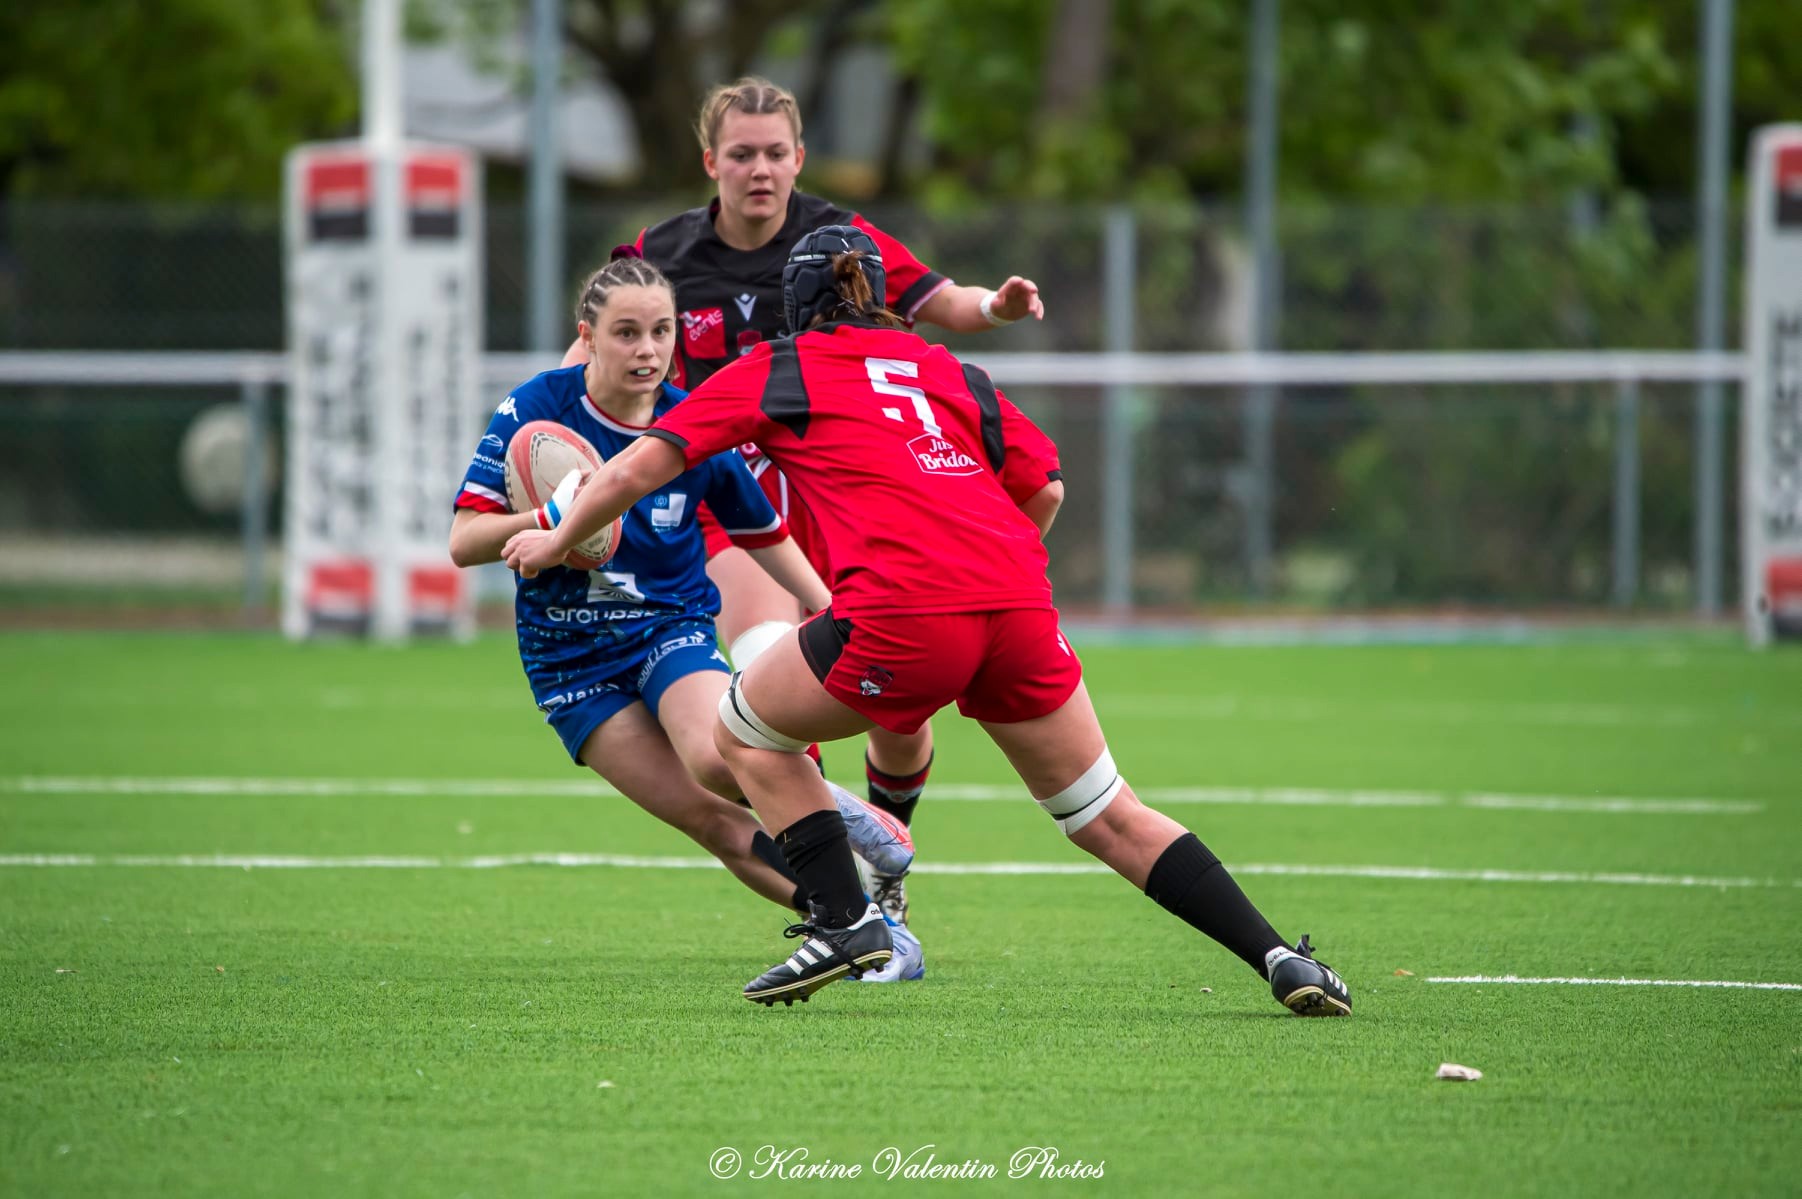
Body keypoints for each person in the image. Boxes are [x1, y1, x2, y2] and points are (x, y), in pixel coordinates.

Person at [506, 228, 1353, 1016]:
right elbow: (1047, 487)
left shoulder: (783, 365)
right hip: (1019, 605)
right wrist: (986, 574)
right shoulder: (950, 370)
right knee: (1109, 814)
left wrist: (554, 540)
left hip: (906, 612)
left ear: (793, 310)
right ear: (880, 298)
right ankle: (1282, 956)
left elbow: (634, 470)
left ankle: (846, 918)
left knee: (740, 732)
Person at [559, 77, 1047, 943]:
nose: (759, 169)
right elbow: (598, 346)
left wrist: (995, 306)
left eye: (775, 153)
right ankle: (837, 885)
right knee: (764, 670)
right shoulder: (661, 248)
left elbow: (942, 305)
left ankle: (882, 861)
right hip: (732, 501)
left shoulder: (841, 243)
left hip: (848, 500)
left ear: (799, 160)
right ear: (711, 161)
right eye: (741, 153)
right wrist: (558, 432)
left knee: (901, 717)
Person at [451, 253, 921, 978]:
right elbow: (463, 541)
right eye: (627, 333)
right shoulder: (534, 410)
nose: (647, 351)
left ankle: (843, 842)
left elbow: (763, 532)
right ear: (589, 336)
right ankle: (865, 927)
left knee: (714, 757)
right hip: (569, 659)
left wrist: (836, 611)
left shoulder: (690, 417)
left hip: (669, 627)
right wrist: (548, 516)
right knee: (719, 825)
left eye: (661, 332)